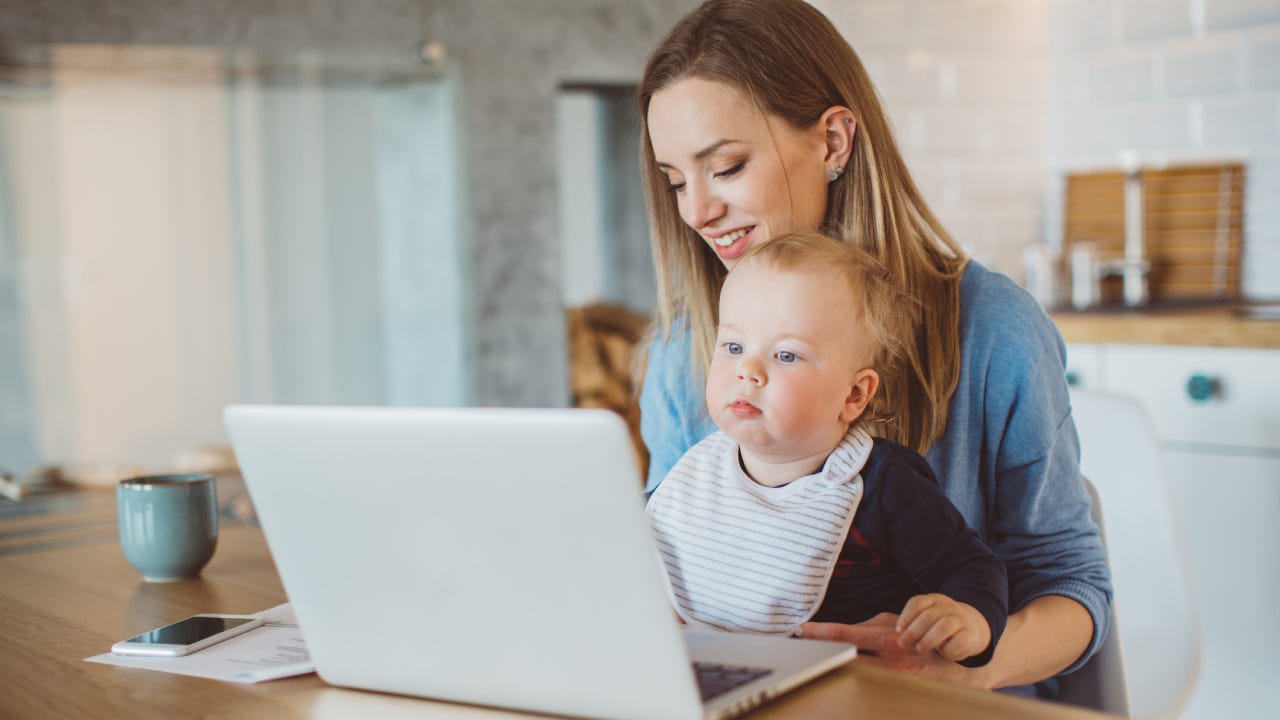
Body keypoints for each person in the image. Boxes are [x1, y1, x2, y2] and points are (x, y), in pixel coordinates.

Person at [635, 0, 1112, 697]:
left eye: (727, 167)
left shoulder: (993, 328)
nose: (694, 211)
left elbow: (1069, 579)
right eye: (676, 180)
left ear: (832, 141)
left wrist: (957, 667)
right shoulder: (686, 353)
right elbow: (655, 581)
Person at [646, 233, 1008, 668]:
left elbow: (969, 566)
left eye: (786, 355)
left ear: (854, 394)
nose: (748, 371)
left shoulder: (883, 486)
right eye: (735, 347)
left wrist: (967, 621)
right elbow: (630, 544)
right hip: (715, 688)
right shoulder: (697, 473)